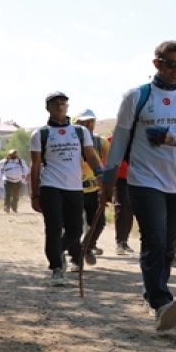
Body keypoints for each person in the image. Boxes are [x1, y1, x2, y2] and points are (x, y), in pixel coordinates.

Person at [101, 41, 176, 331]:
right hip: (145, 179)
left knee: (169, 243)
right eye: (171, 64)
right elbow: (120, 138)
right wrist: (108, 177)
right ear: (156, 63)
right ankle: (161, 302)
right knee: (154, 238)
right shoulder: (137, 96)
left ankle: (152, 294)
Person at [31, 92, 109, 287]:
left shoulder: (80, 132)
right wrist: (34, 194)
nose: (59, 107)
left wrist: (100, 175)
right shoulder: (41, 134)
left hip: (75, 187)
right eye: (55, 104)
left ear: (68, 107)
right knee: (54, 227)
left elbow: (90, 156)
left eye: (63, 103)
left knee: (75, 229)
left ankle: (57, 252)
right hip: (50, 186)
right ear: (47, 108)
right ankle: (56, 268)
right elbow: (36, 166)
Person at [75, 109, 109, 256]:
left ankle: (87, 247)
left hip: (93, 190)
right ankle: (74, 256)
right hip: (72, 189)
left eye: (91, 122)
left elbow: (108, 165)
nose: (88, 125)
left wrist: (106, 189)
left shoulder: (100, 142)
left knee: (99, 223)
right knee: (73, 226)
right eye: (84, 122)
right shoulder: (68, 141)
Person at [108, 134, 137, 256]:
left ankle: (125, 241)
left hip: (135, 178)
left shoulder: (137, 139)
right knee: (121, 208)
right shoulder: (112, 140)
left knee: (130, 210)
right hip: (119, 179)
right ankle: (119, 242)